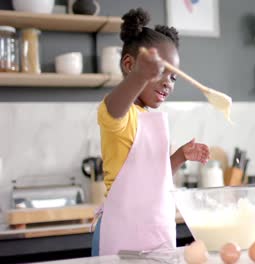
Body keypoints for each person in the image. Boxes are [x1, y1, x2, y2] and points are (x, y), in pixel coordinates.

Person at [91, 8, 210, 256]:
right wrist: (139, 76)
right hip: (121, 233)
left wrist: (179, 156)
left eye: (174, 77)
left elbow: (153, 181)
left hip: (153, 231)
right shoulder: (120, 114)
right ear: (129, 65)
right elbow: (113, 108)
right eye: (160, 72)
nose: (168, 82)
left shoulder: (150, 117)